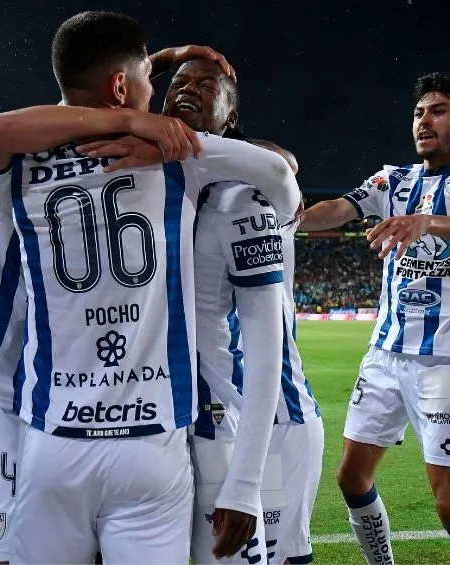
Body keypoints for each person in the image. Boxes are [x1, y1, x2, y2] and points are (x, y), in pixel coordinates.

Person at [0, 11, 299, 564]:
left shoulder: (22, 160)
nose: (167, 92)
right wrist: (161, 133)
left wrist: (147, 103)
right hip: (153, 438)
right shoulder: (184, 165)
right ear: (124, 86)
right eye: (159, 79)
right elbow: (282, 176)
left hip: (55, 433)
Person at [299, 72, 450, 565]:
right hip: (385, 354)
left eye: (438, 111)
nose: (424, 120)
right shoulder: (393, 179)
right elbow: (336, 209)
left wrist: (426, 221)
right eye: (419, 112)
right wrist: (281, 217)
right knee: (351, 477)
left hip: (446, 360)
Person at [161, 58, 323, 565]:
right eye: (178, 84)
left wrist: (246, 480)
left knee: (273, 556)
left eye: (205, 87)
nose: (188, 90)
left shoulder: (248, 192)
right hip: (188, 420)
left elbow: (282, 167)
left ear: (231, 119)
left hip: (270, 420)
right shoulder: (160, 184)